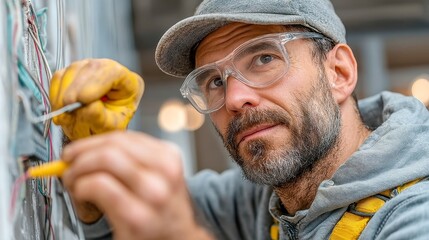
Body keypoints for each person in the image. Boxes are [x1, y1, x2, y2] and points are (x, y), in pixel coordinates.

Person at [50, 0, 429, 239]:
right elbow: (117, 219)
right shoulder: (255, 202)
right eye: (214, 81)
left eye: (264, 59)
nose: (233, 98)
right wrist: (89, 142)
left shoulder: (415, 218)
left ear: (339, 73)